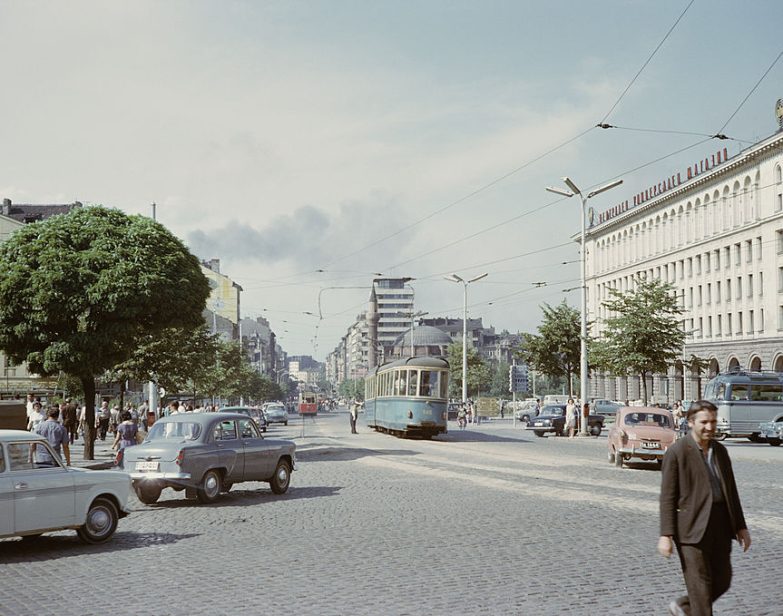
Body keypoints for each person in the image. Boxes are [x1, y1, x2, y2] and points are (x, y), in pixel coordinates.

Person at [658, 400, 751, 616]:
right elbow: (667, 497)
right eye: (704, 422)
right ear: (690, 422)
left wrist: (741, 527)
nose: (710, 427)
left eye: (713, 422)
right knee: (699, 587)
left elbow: (731, 491)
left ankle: (684, 606)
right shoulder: (677, 452)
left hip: (720, 525)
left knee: (723, 579)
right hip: (691, 529)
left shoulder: (720, 451)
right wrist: (666, 534)